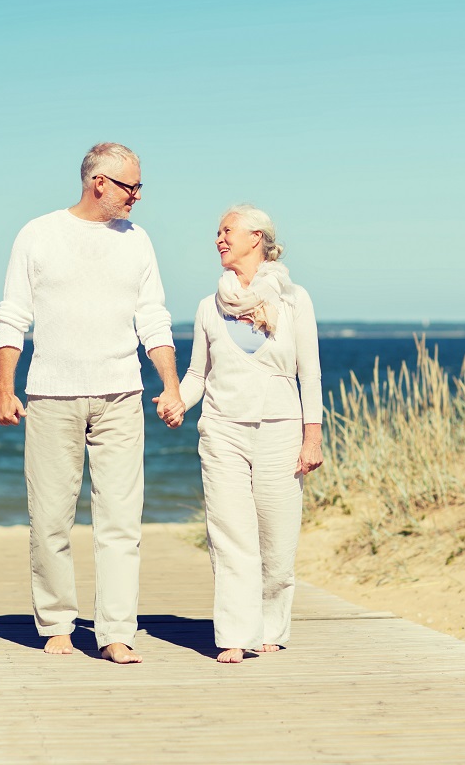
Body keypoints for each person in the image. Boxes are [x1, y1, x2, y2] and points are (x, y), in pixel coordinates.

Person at [0, 142, 184, 665]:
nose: (138, 197)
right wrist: (3, 389)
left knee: (121, 521)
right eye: (131, 186)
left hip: (121, 394)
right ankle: (56, 623)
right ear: (98, 182)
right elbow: (13, 315)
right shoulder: (38, 234)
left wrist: (169, 384)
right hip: (51, 395)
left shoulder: (138, 242)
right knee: (51, 517)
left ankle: (115, 631)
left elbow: (154, 317)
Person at [164, 204, 323, 663]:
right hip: (221, 431)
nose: (218, 238)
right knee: (230, 534)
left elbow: (309, 374)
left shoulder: (295, 299)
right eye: (216, 232)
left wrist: (312, 437)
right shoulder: (207, 306)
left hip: (280, 429)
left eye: (226, 230)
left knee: (277, 536)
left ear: (256, 237)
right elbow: (197, 373)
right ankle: (235, 633)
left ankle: (271, 625)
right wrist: (178, 399)